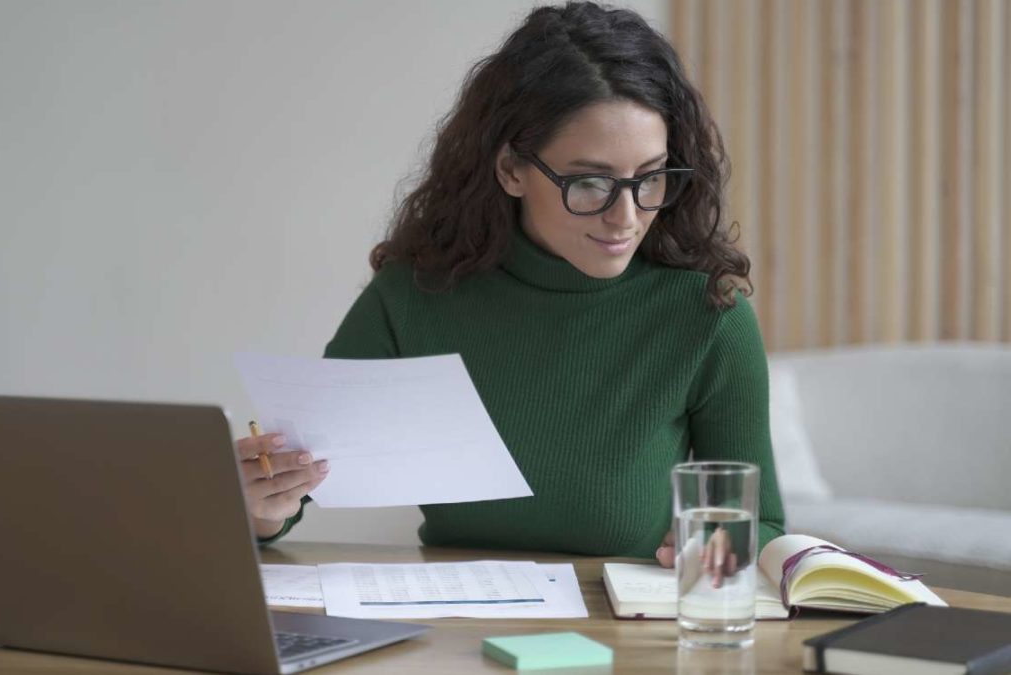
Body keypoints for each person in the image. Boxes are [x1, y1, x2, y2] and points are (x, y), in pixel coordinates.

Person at [234, 1, 785, 581]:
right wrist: (260, 506)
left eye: (650, 178)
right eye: (590, 182)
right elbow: (292, 501)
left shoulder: (707, 315)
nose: (626, 216)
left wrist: (719, 549)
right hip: (451, 634)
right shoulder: (414, 297)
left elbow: (762, 523)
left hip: (622, 640)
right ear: (512, 170)